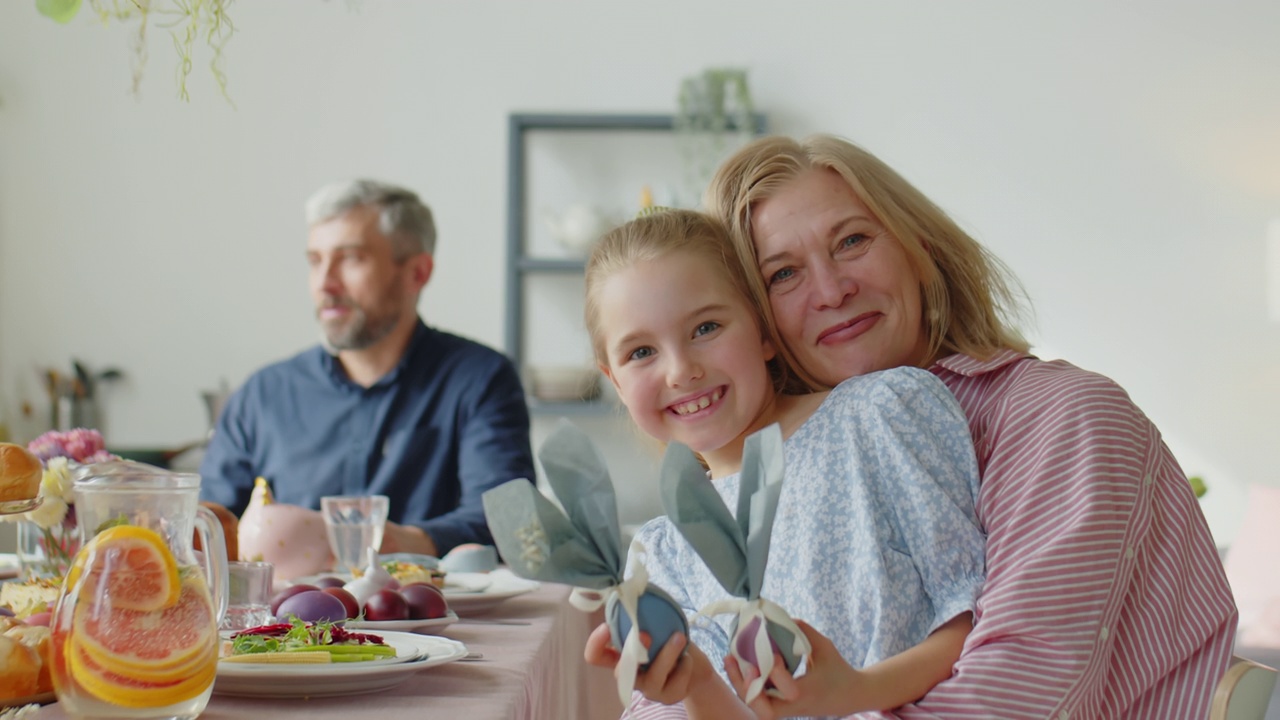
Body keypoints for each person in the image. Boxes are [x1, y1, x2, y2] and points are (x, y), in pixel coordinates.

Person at [700, 134, 1238, 718]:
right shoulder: (773, 477)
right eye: (783, 275)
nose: (832, 290)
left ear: (918, 246)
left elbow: (1016, 694)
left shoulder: (1063, 416)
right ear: (756, 324)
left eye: (852, 241)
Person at [581, 209, 987, 718]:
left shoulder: (877, 417)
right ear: (614, 381)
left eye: (705, 327)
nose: (681, 370)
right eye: (641, 352)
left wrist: (855, 690)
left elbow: (969, 615)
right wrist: (699, 683)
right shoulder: (663, 553)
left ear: (764, 330)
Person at [200, 179, 535, 557]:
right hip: (288, 616)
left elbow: (510, 524)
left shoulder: (480, 379)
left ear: (417, 274)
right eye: (315, 261)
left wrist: (385, 542)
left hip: (434, 614)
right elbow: (207, 527)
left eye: (351, 258)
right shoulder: (263, 394)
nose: (325, 284)